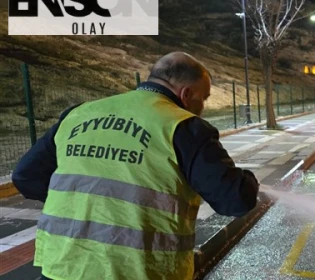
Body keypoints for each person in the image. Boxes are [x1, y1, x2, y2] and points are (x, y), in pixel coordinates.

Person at [12, 52, 260, 280]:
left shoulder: (78, 114)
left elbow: (25, 176)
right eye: (203, 98)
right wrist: (248, 181)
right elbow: (235, 200)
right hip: (139, 270)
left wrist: (81, 202)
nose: (203, 107)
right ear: (186, 94)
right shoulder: (183, 127)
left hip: (63, 267)